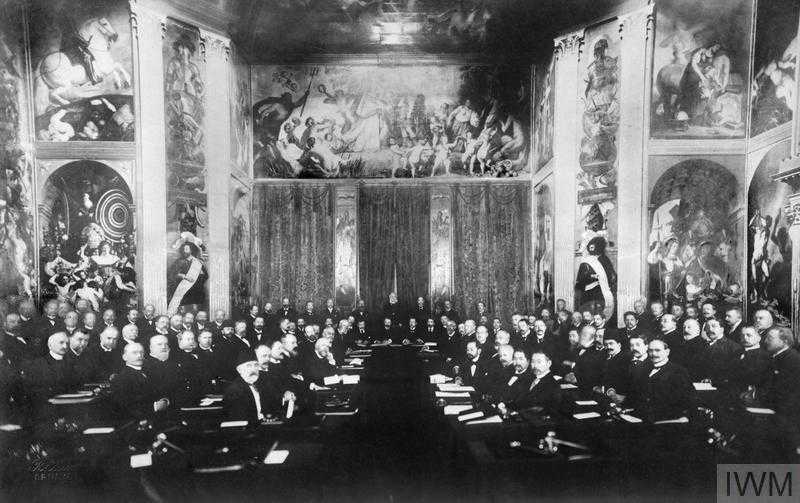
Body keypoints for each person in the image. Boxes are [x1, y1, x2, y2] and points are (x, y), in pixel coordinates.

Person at [628, 339, 693, 422]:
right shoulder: (643, 370)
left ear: (667, 352)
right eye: (650, 351)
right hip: (641, 419)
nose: (653, 354)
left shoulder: (678, 371)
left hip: (667, 421)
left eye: (657, 350)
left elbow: (688, 400)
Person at [109, 342, 170, 419]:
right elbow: (125, 408)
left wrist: (165, 401)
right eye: (134, 353)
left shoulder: (150, 373)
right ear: (124, 357)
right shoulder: (121, 379)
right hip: (138, 422)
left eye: (141, 352)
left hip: (159, 418)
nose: (139, 355)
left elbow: (161, 392)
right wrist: (155, 407)